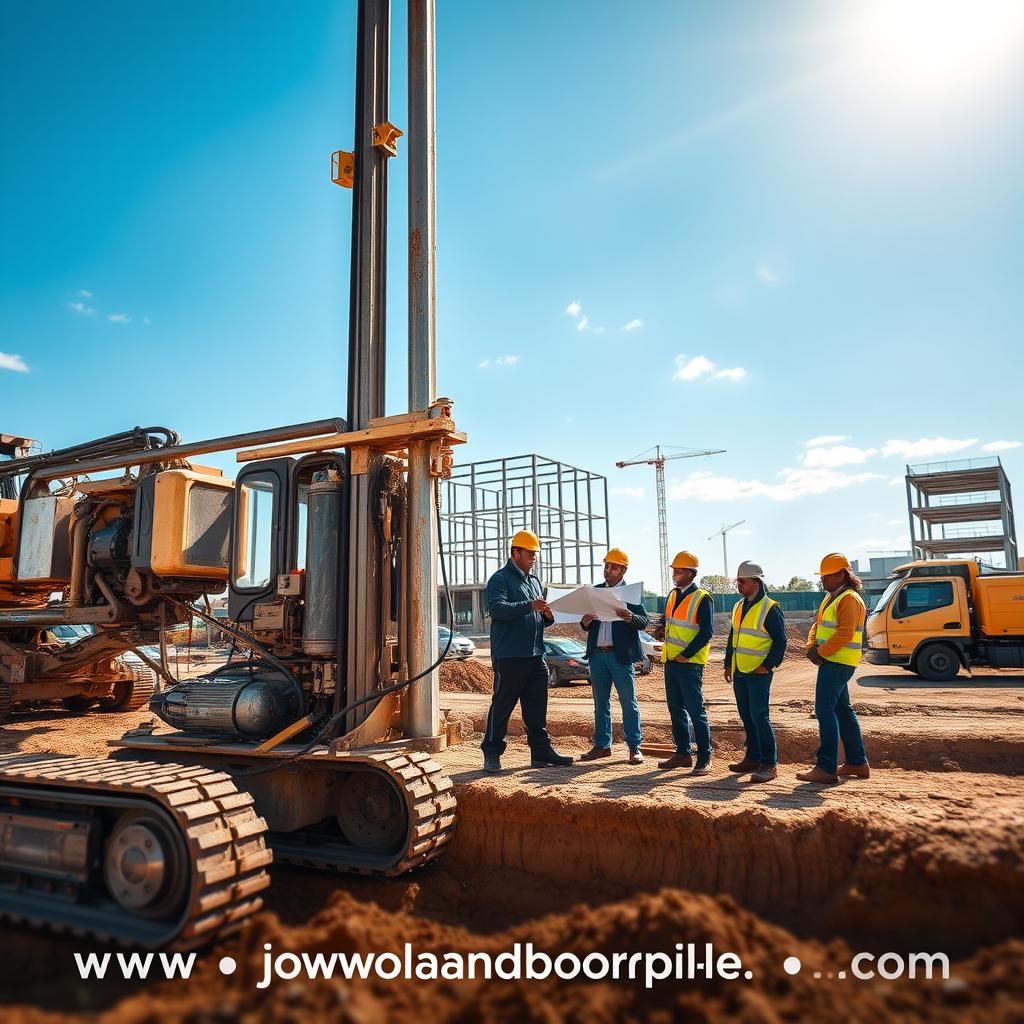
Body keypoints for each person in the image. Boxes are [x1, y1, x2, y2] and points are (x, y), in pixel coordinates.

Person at [480, 529, 574, 774]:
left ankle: (541, 753)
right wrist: (530, 605)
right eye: (530, 553)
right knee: (502, 706)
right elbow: (498, 609)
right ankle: (491, 752)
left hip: (536, 655)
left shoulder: (534, 582)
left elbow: (537, 619)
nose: (534, 558)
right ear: (515, 553)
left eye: (535, 554)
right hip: (510, 656)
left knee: (536, 708)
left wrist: (548, 617)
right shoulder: (499, 579)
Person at [796, 552, 870, 784]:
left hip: (838, 661)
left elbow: (845, 633)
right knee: (842, 711)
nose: (822, 580)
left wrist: (821, 652)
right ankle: (857, 762)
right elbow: (818, 626)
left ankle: (827, 767)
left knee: (824, 710)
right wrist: (811, 646)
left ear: (840, 575)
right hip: (833, 660)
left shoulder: (849, 598)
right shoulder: (832, 597)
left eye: (826, 576)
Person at [578, 548, 649, 765]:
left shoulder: (630, 594)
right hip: (597, 656)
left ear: (623, 570)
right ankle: (602, 745)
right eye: (606, 566)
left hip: (620, 657)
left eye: (613, 567)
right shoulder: (595, 592)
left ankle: (634, 747)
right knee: (601, 703)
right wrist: (585, 622)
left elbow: (644, 621)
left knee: (629, 702)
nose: (608, 571)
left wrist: (630, 617)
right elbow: (585, 624)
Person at [723, 561, 787, 782]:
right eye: (737, 581)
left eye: (742, 581)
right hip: (741, 670)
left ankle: (770, 765)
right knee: (747, 717)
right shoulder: (739, 606)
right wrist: (728, 663)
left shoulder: (770, 608)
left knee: (760, 717)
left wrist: (766, 666)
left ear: (756, 582)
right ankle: (753, 757)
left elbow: (781, 642)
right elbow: (734, 636)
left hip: (758, 673)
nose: (738, 585)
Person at [658, 551, 714, 774]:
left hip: (689, 664)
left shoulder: (702, 598)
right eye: (674, 570)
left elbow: (706, 632)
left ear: (690, 573)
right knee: (675, 709)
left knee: (695, 710)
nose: (674, 574)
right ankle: (683, 753)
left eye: (679, 571)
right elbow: (669, 623)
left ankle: (705, 756)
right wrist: (660, 628)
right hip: (671, 661)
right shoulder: (673, 595)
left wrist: (687, 654)